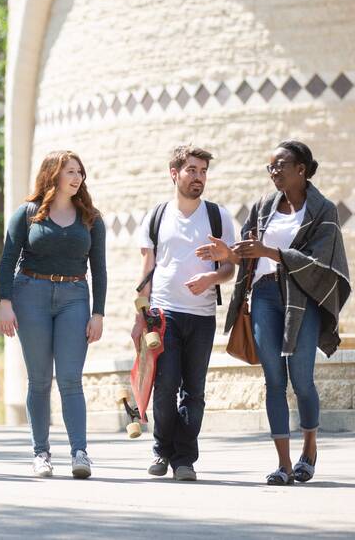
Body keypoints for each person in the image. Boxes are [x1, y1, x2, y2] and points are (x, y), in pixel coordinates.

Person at [198, 140, 351, 485]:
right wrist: (231, 253)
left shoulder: (322, 210)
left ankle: (309, 450)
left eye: (281, 165)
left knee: (302, 380)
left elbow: (320, 263)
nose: (274, 172)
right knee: (274, 381)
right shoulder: (264, 205)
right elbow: (251, 254)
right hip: (265, 294)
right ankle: (283, 464)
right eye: (270, 167)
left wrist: (270, 250)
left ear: (301, 169)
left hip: (303, 298)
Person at [0, 151, 106, 479]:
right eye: (70, 171)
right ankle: (41, 453)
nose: (77, 178)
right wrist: (5, 302)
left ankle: (79, 453)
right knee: (40, 380)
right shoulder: (27, 213)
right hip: (31, 294)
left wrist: (98, 313)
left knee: (71, 378)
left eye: (80, 172)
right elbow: (7, 260)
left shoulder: (91, 218)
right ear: (53, 175)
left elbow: (99, 269)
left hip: (74, 297)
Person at [135, 145, 236, 482]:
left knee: (194, 390)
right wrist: (139, 317)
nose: (199, 177)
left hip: (203, 316)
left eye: (203, 171)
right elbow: (147, 270)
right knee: (165, 386)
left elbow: (228, 269)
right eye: (192, 170)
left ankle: (184, 459)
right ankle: (162, 449)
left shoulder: (219, 217)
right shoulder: (157, 216)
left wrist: (213, 275)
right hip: (165, 314)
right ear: (174, 173)